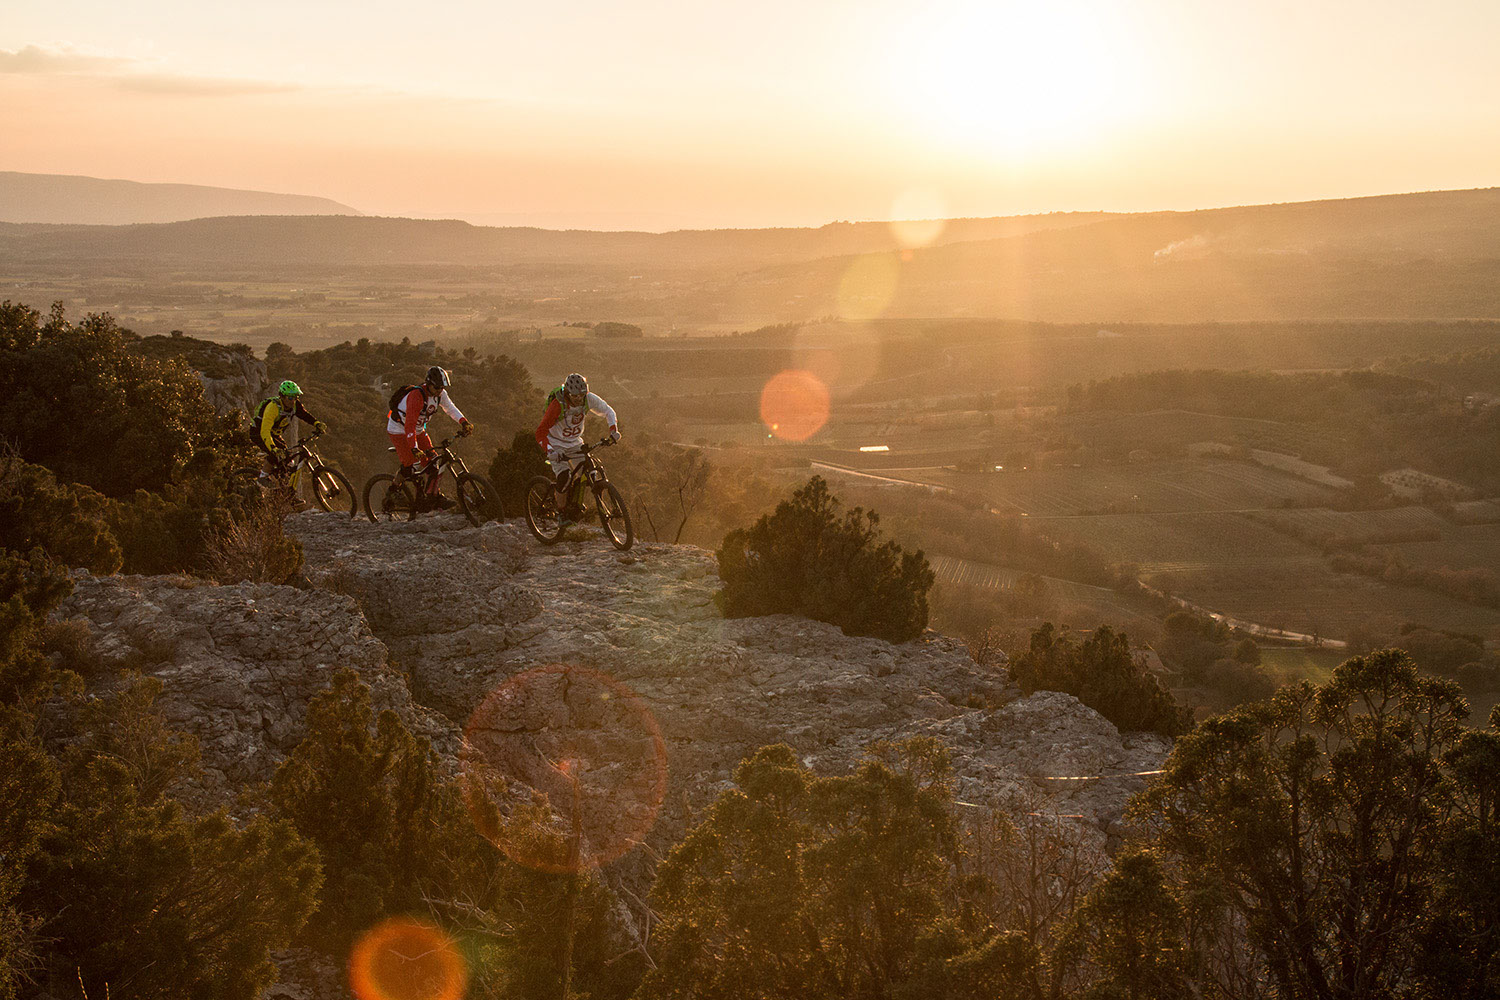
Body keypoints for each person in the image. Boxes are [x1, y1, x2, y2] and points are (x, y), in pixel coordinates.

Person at [534, 372, 619, 523]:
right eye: (574, 396)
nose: (578, 399)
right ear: (567, 393)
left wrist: (613, 431)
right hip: (555, 443)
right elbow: (540, 432)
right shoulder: (557, 405)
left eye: (581, 395)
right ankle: (561, 513)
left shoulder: (588, 399)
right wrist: (550, 451)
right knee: (564, 477)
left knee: (590, 473)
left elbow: (608, 411)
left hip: (574, 442)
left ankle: (575, 504)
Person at [387, 366, 473, 509]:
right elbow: (409, 425)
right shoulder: (416, 396)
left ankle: (433, 496)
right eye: (437, 387)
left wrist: (463, 422)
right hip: (399, 430)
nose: (440, 390)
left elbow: (450, 408)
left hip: (419, 430)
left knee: (433, 462)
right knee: (409, 466)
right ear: (429, 383)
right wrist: (414, 448)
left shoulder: (440, 394)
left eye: (442, 387)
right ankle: (393, 491)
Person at [254, 380, 325, 489]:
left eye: (296, 397)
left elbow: (304, 415)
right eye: (290, 398)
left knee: (287, 462)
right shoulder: (273, 408)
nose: (293, 401)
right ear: (282, 397)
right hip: (258, 433)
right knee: (275, 453)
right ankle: (262, 477)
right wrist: (273, 448)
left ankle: (286, 493)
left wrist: (316, 423)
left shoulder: (295, 405)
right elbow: (264, 431)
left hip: (274, 434)